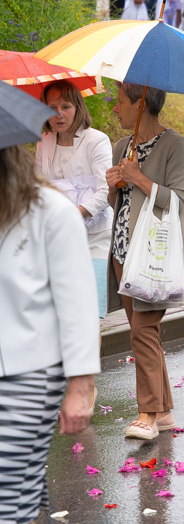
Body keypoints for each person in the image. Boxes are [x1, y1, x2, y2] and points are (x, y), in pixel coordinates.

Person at [0, 143, 100, 524]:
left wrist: (80, 386)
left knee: (7, 497)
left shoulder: (51, 211)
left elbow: (77, 303)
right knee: (22, 492)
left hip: (32, 370)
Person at [106, 83, 184, 440]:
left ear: (141, 104)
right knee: (145, 334)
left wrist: (138, 177)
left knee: (142, 332)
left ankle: (146, 415)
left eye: (120, 102)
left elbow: (180, 201)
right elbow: (118, 205)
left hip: (154, 255)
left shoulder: (175, 146)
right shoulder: (120, 147)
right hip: (123, 253)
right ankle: (164, 411)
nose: (114, 109)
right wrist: (115, 184)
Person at [36, 81, 113, 322]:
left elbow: (106, 190)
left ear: (78, 107)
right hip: (59, 239)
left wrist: (75, 213)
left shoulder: (96, 140)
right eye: (52, 107)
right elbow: (39, 188)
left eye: (66, 106)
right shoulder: (44, 142)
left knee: (90, 315)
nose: (58, 114)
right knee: (61, 315)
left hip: (96, 238)